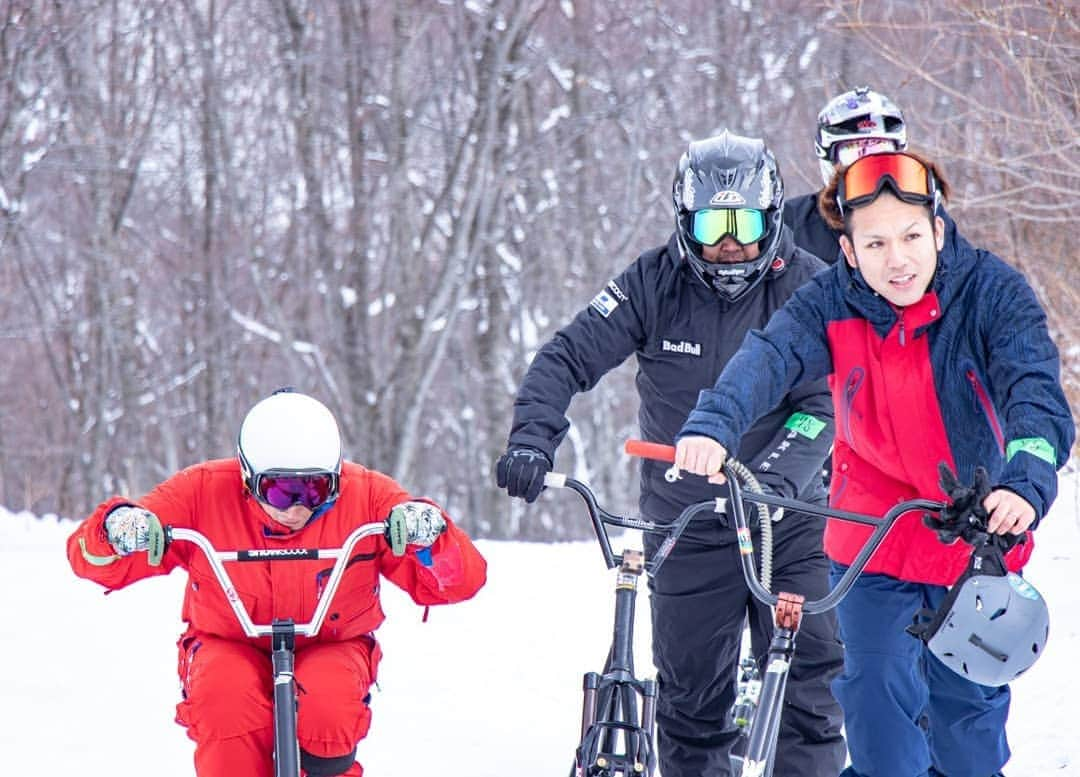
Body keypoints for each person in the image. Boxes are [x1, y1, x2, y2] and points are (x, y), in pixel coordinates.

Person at [675, 150, 1075, 777]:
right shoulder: (828, 303)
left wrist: (1024, 483)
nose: (900, 259)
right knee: (878, 710)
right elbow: (767, 359)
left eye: (913, 237)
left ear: (939, 231)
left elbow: (1036, 396)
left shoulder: (994, 293)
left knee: (965, 731)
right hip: (875, 538)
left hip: (975, 539)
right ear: (851, 251)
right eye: (878, 243)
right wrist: (713, 424)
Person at [495, 132, 846, 776]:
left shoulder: (809, 285)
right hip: (687, 521)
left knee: (811, 689)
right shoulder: (652, 282)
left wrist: (772, 482)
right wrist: (531, 437)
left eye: (746, 223)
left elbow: (823, 406)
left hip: (788, 519)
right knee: (689, 703)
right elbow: (567, 355)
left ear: (772, 218)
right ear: (686, 223)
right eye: (714, 225)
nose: (731, 243)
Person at [67, 389, 487, 777]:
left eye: (316, 489)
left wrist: (429, 534)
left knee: (330, 702)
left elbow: (458, 581)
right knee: (223, 698)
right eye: (281, 491)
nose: (299, 507)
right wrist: (118, 529)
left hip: (332, 640)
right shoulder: (202, 492)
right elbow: (93, 559)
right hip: (229, 639)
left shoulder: (370, 498)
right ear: (249, 477)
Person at [783, 86, 908, 264]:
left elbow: (956, 282)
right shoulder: (792, 223)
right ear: (829, 158)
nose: (867, 168)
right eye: (854, 153)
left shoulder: (924, 219)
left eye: (881, 154)